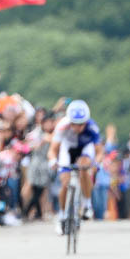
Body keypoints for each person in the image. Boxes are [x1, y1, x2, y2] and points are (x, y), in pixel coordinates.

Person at [48, 100, 103, 235]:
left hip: (85, 148)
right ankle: (62, 216)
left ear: (86, 122)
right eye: (73, 124)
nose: (77, 128)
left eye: (80, 125)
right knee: (65, 183)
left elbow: (99, 151)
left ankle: (87, 204)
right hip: (67, 149)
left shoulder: (92, 127)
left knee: (84, 166)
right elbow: (53, 149)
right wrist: (53, 161)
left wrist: (96, 162)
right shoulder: (62, 126)